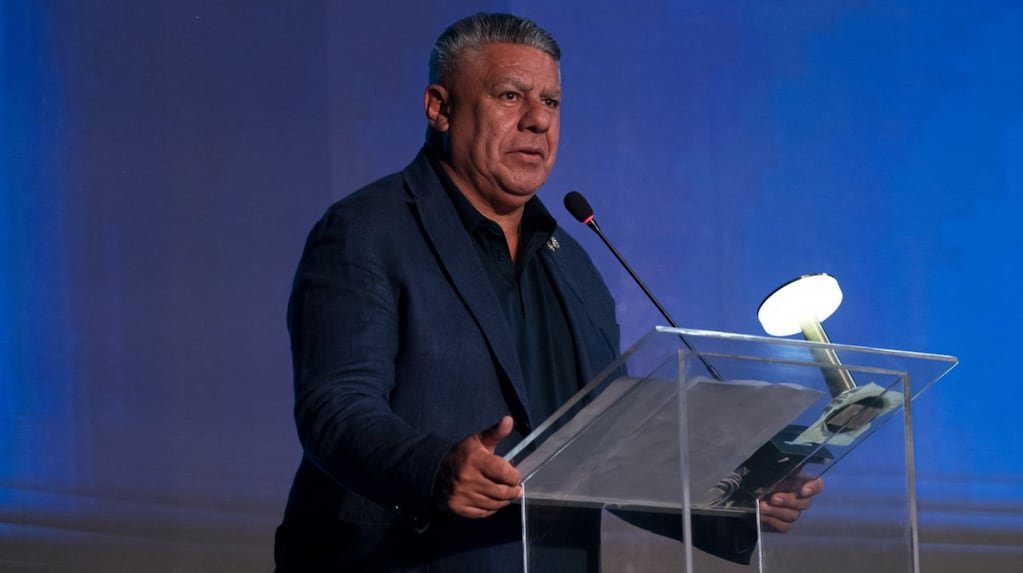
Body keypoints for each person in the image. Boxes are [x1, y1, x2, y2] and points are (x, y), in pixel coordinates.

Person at [274, 12, 821, 572]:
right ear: (440, 108)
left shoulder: (573, 263)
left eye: (552, 102)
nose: (538, 120)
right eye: (510, 96)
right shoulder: (368, 231)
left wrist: (734, 496)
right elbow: (335, 409)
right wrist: (433, 469)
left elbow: (608, 453)